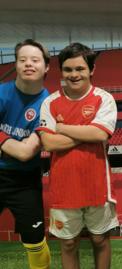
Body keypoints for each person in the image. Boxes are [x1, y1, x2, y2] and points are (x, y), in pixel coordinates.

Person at [37, 43, 118, 269]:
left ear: (91, 70)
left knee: (100, 239)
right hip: (63, 187)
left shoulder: (104, 99)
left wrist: (63, 128)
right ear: (61, 71)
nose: (74, 75)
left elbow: (101, 133)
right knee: (69, 244)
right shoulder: (50, 102)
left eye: (80, 69)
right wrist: (87, 131)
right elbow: (49, 143)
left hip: (98, 185)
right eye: (68, 69)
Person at [0, 39, 51, 269]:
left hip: (24, 180)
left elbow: (25, 152)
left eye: (35, 60)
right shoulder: (1, 93)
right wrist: (12, 144)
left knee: (34, 240)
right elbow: (19, 146)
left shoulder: (49, 105)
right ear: (16, 65)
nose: (28, 64)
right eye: (22, 60)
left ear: (46, 66)